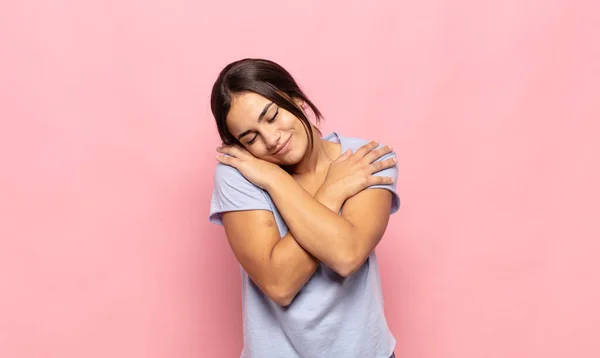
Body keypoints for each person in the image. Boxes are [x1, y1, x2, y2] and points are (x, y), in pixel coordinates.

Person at [209, 58, 400, 358]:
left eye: (271, 117)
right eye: (251, 138)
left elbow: (346, 254)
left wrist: (274, 181)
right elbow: (280, 283)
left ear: (295, 98)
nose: (271, 140)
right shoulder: (239, 174)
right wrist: (324, 189)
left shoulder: (364, 159)